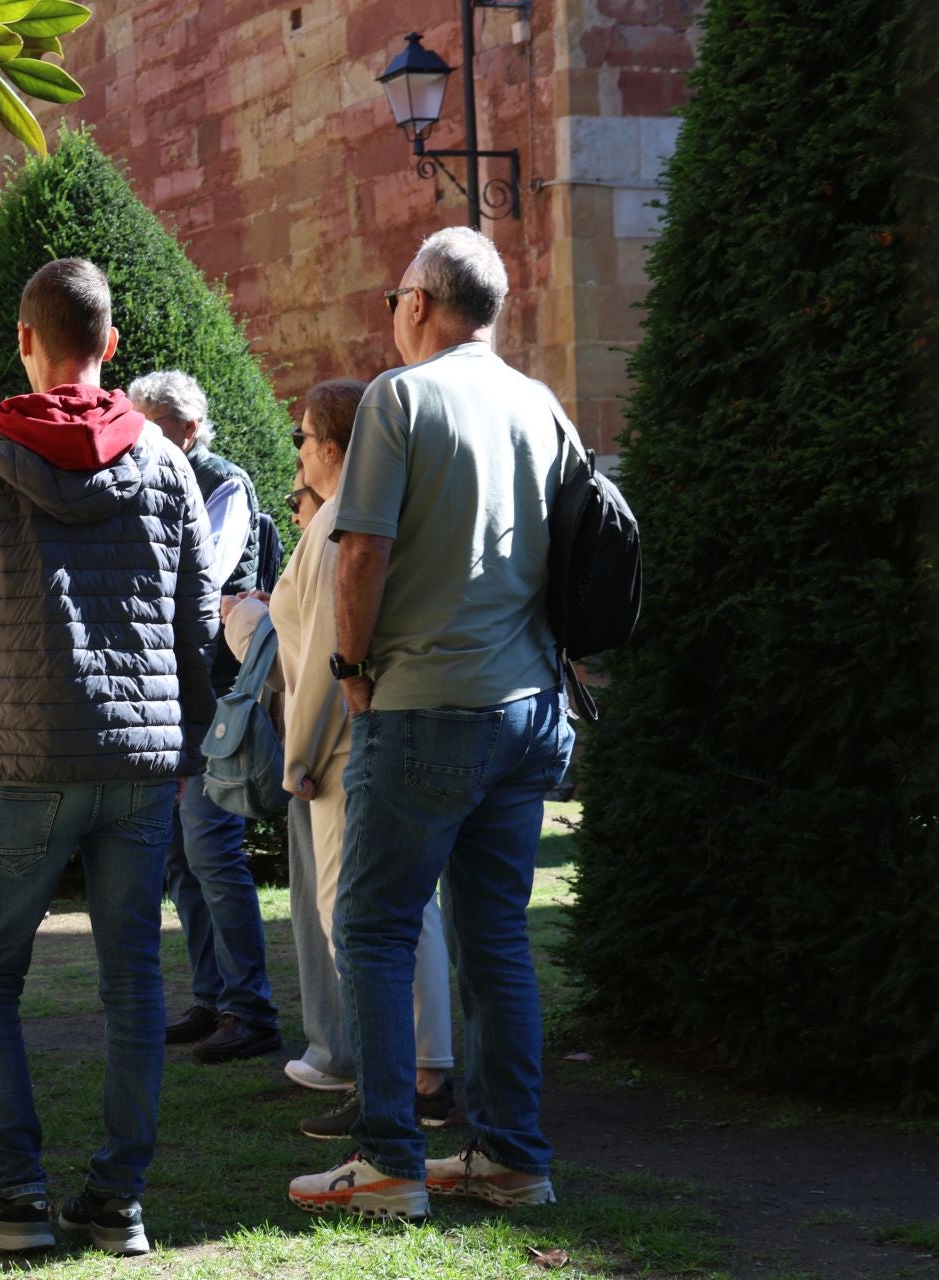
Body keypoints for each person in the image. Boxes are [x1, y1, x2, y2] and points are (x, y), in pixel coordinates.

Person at [287, 228, 578, 1221]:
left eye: (395, 297)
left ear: (418, 303)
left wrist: (353, 670)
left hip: (425, 705)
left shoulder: (399, 399)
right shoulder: (541, 404)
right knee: (495, 932)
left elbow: (360, 550)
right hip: (530, 704)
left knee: (370, 924)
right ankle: (511, 1156)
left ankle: (387, 1161)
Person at [0, 258, 216, 1257]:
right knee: (134, 981)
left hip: (33, 754)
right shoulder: (167, 464)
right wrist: (190, 736)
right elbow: (199, 620)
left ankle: (16, 1191)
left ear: (22, 339)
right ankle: (117, 1199)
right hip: (141, 760)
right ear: (111, 347)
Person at [221, 381, 457, 1142]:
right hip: (370, 742)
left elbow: (327, 661)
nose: (295, 453)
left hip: (342, 753)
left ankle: (408, 1080)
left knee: (357, 918)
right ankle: (421, 1072)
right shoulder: (354, 518)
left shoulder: (335, 530)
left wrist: (300, 758)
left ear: (330, 447)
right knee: (401, 912)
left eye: (301, 437)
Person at [126, 370, 280, 1065]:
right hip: (174, 692)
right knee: (182, 859)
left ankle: (251, 1011)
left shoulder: (222, 482)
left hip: (216, 696)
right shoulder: (150, 478)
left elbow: (204, 578)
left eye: (152, 426)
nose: (138, 439)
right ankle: (213, 998)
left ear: (188, 430)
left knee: (212, 850)